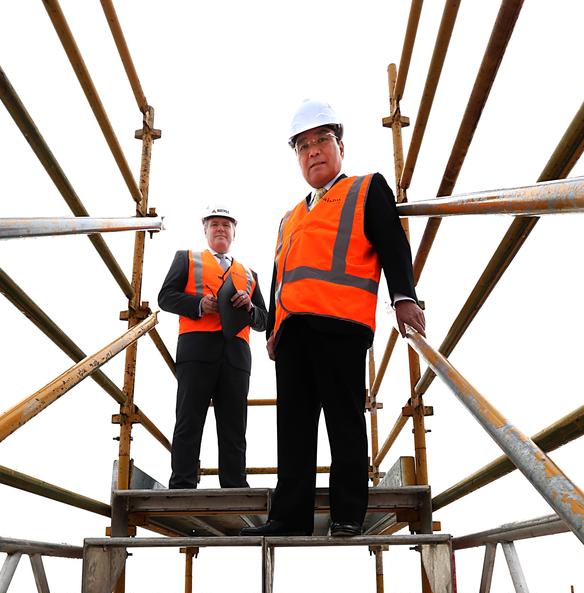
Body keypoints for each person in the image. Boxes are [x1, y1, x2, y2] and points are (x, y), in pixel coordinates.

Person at [241, 99, 425, 537]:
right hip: (293, 333)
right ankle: (289, 517)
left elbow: (392, 245)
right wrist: (273, 327)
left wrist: (404, 296)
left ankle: (347, 515)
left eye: (322, 140)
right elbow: (279, 275)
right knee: (294, 428)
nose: (313, 151)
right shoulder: (290, 217)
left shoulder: (365, 188)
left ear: (340, 145)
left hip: (342, 324)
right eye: (303, 145)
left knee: (344, 421)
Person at [158, 206, 267, 489]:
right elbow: (165, 297)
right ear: (205, 230)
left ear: (234, 232)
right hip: (197, 350)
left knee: (234, 425)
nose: (221, 229)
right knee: (188, 419)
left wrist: (250, 307)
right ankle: (181, 483)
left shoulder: (249, 273)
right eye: (215, 224)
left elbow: (265, 320)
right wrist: (197, 304)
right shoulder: (187, 259)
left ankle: (234, 486)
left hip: (236, 355)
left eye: (226, 225)